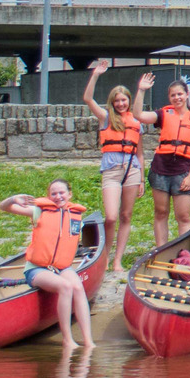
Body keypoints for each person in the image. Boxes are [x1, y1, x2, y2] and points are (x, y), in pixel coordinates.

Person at [0, 181, 93, 350]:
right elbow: (4, 207)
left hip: (62, 267)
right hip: (37, 268)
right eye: (54, 194)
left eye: (61, 193)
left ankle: (88, 340)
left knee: (78, 287)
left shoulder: (75, 216)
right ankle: (68, 340)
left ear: (69, 194)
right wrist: (13, 199)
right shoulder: (39, 211)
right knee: (65, 286)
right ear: (49, 196)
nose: (58, 197)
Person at [81, 60, 145, 270]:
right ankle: (105, 256)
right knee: (111, 216)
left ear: (129, 101)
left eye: (124, 100)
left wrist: (142, 178)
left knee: (126, 215)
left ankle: (117, 259)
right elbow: (88, 98)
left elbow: (141, 153)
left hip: (132, 170)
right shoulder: (106, 117)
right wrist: (96, 75)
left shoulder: (136, 121)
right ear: (112, 102)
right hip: (111, 170)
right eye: (117, 100)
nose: (120, 104)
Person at [139, 71, 190, 249]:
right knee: (161, 212)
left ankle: (184, 252)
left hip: (183, 170)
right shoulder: (163, 114)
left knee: (183, 216)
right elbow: (138, 115)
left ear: (187, 95)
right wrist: (141, 90)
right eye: (173, 95)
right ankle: (161, 249)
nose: (177, 98)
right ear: (169, 97)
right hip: (161, 168)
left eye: (180, 94)